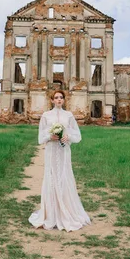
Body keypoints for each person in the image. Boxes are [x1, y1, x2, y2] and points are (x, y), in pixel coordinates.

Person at [28, 90, 91, 231]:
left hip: (64, 150)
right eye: (56, 98)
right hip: (51, 150)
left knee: (64, 175)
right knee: (51, 177)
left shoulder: (68, 115)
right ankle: (50, 214)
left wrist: (67, 137)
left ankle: (66, 211)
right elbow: (40, 136)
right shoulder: (46, 115)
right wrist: (50, 136)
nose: (59, 100)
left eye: (61, 97)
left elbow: (77, 134)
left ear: (64, 100)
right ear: (51, 100)